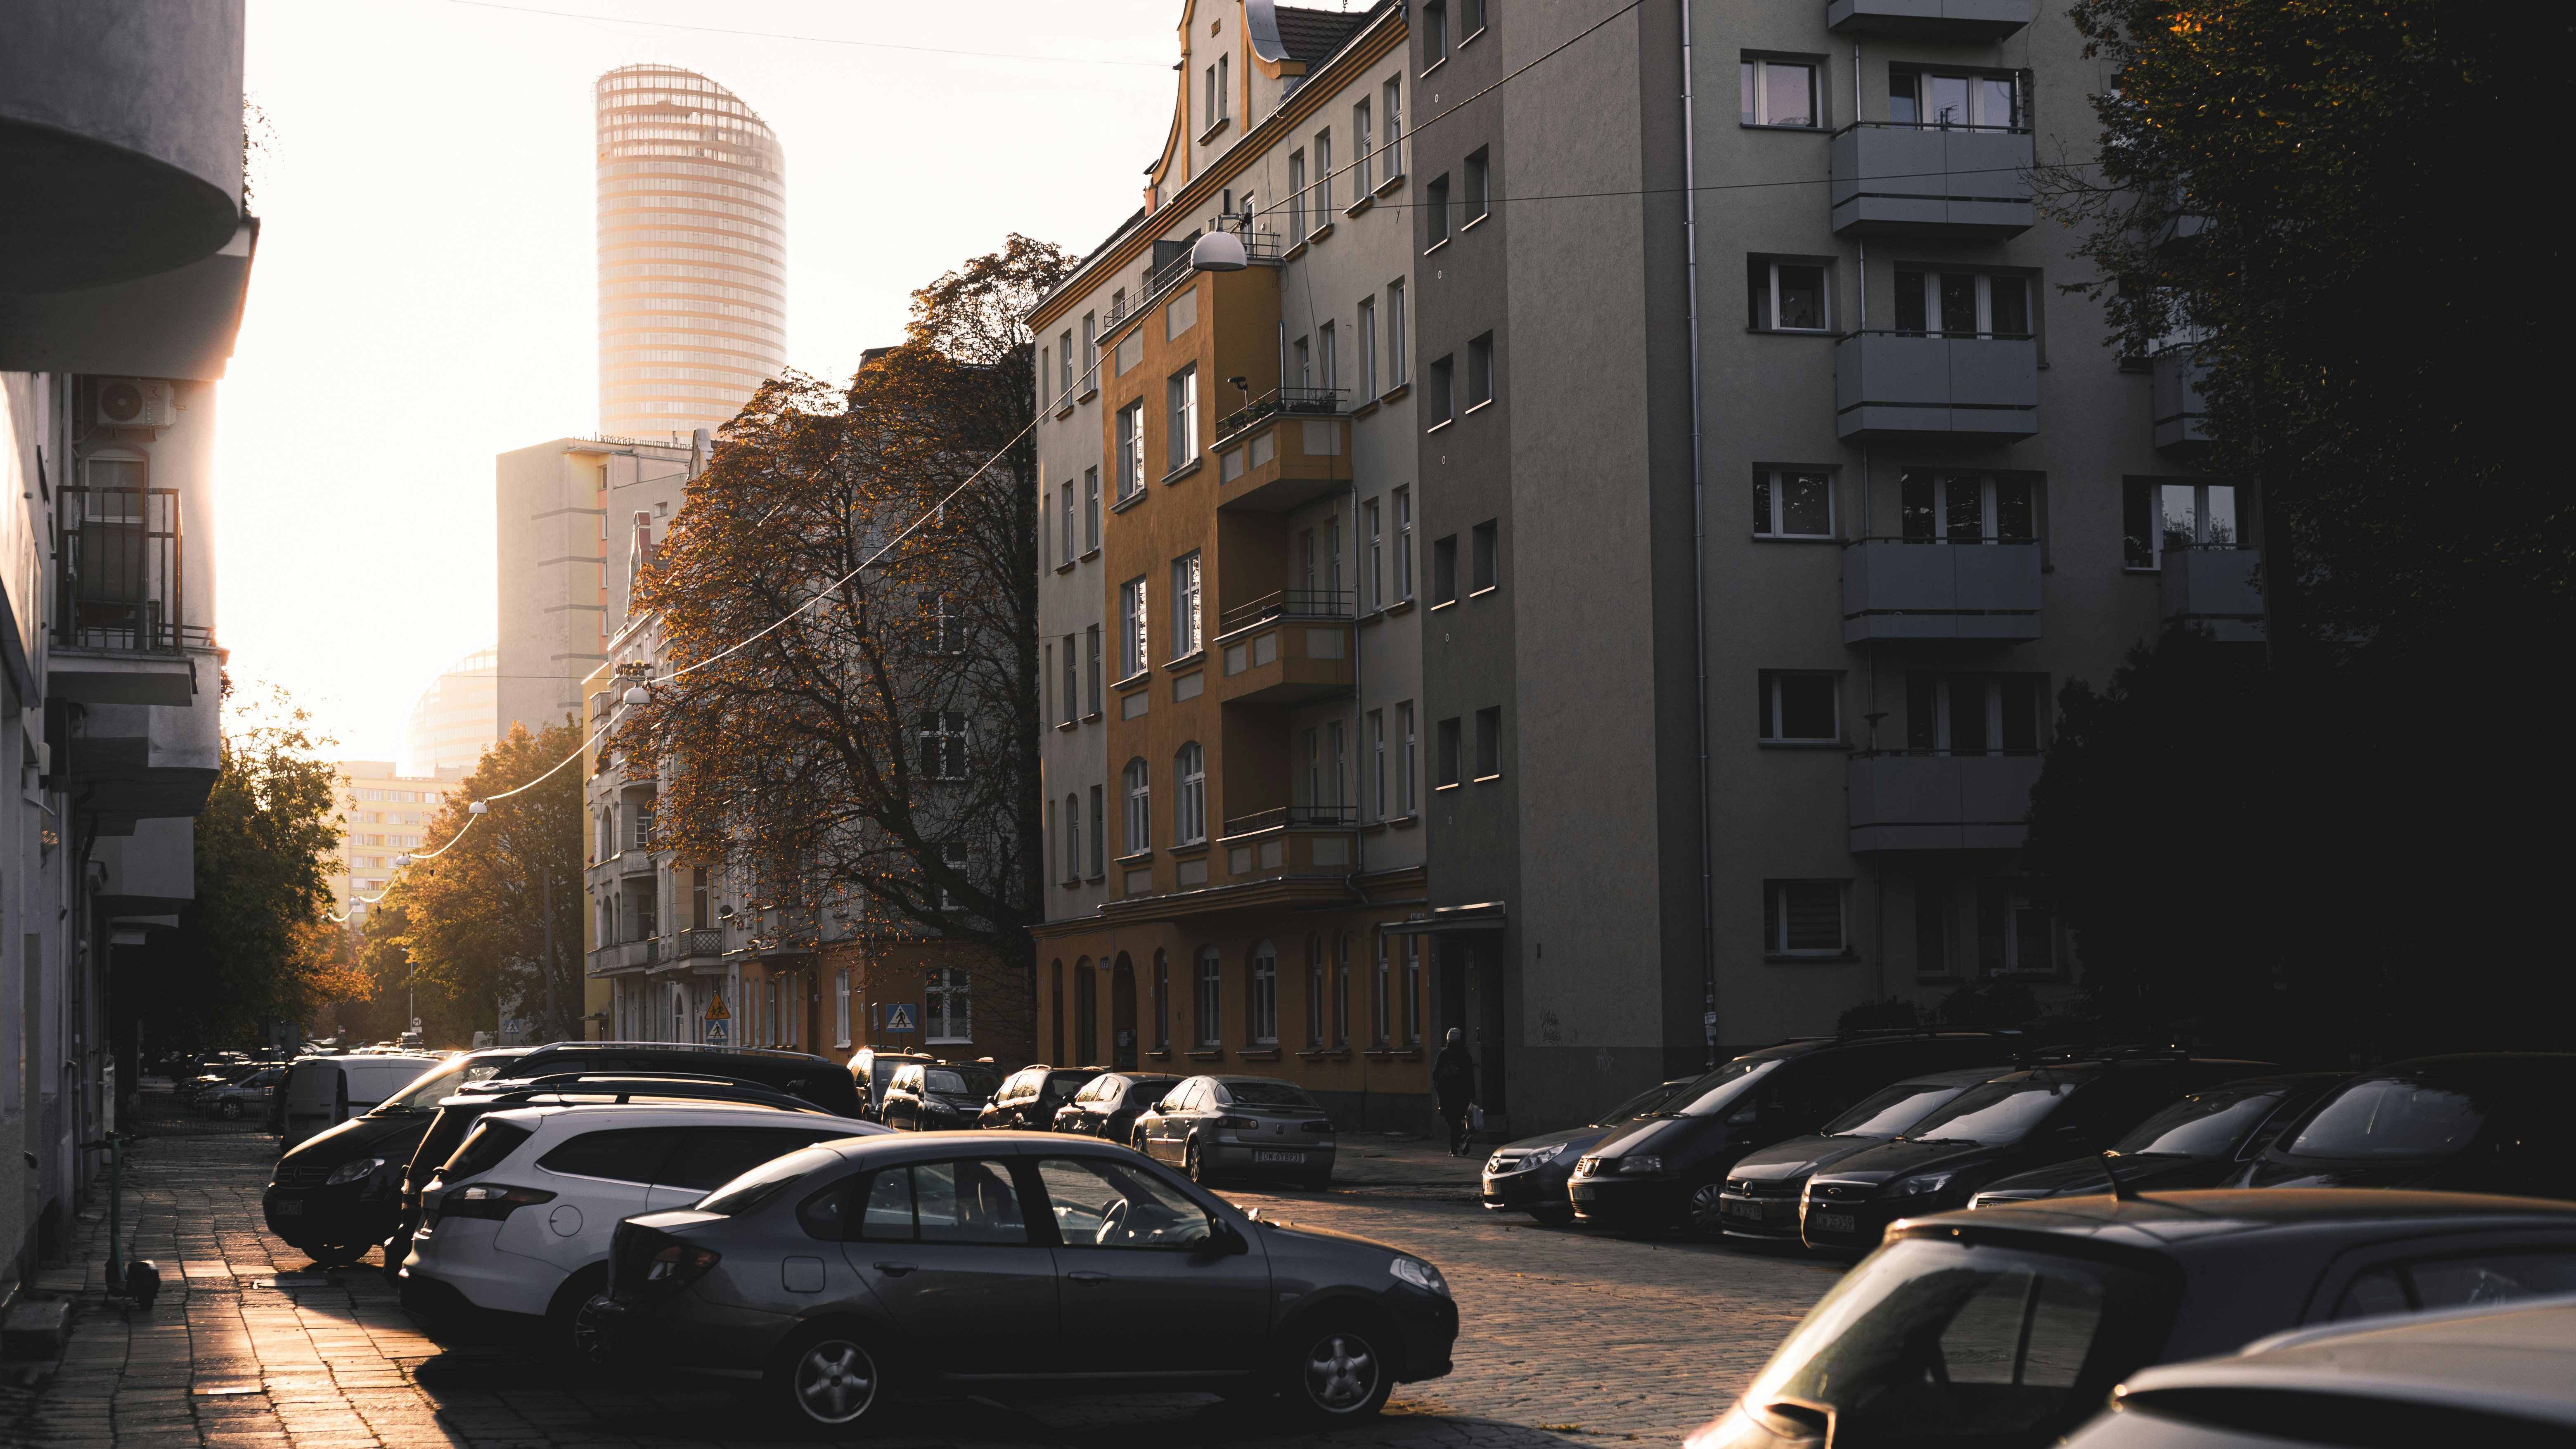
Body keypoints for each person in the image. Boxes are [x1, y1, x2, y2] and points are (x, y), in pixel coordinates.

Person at [1432, 1028, 1477, 1156]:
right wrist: (1472, 1095)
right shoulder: (1467, 1056)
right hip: (1463, 1093)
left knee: (1451, 1120)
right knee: (1455, 1119)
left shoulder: (1444, 1054)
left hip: (1447, 1092)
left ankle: (1463, 1138)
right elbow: (1471, 1077)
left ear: (1449, 1040)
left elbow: (1435, 1072)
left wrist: (1439, 1087)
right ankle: (1454, 1149)